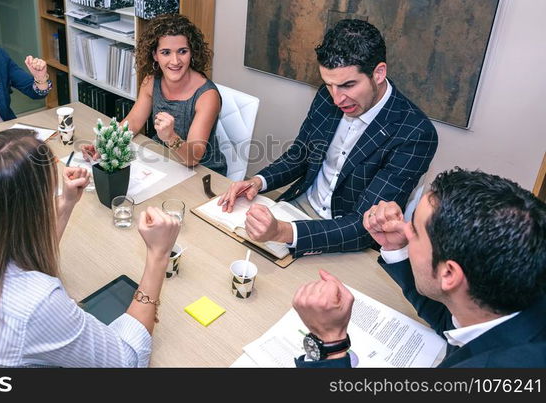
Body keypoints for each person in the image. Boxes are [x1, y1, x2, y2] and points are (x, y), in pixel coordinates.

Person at [0, 129, 180, 367]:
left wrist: (65, 203)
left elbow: (17, 254)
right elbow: (127, 361)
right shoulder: (38, 303)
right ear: (34, 207)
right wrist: (159, 255)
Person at [218, 19, 438, 256]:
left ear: (378, 73)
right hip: (296, 207)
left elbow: (363, 226)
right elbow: (300, 155)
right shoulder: (328, 96)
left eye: (348, 85)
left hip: (346, 237)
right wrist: (259, 181)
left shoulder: (415, 133)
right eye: (329, 85)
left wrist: (283, 232)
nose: (337, 99)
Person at [293, 168, 546, 367]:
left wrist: (330, 344)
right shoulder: (507, 299)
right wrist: (399, 249)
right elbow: (453, 319)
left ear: (449, 273)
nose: (403, 229)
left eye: (414, 229)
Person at [83, 13, 227, 175]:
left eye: (182, 51)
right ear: (155, 55)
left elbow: (194, 158)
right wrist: (106, 143)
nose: (175, 61)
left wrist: (170, 136)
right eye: (166, 52)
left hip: (205, 173)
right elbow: (134, 122)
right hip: (164, 160)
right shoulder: (151, 81)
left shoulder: (207, 96)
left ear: (192, 52)